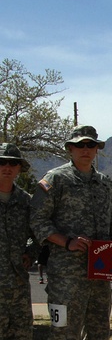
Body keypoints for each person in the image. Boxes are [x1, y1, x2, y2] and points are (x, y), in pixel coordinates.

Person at [30, 125, 112, 340]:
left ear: (97, 149)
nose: (85, 149)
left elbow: (110, 227)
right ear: (70, 148)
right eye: (79, 145)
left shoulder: (104, 183)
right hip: (67, 275)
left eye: (90, 145)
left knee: (99, 331)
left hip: (100, 273)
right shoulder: (55, 179)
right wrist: (67, 242)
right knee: (64, 332)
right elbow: (37, 220)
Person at [0, 143, 38, 339]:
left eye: (12, 164)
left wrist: (30, 254)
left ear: (19, 169)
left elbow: (38, 233)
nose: (7, 167)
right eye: (2, 163)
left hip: (18, 286)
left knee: (22, 334)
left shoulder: (26, 201)